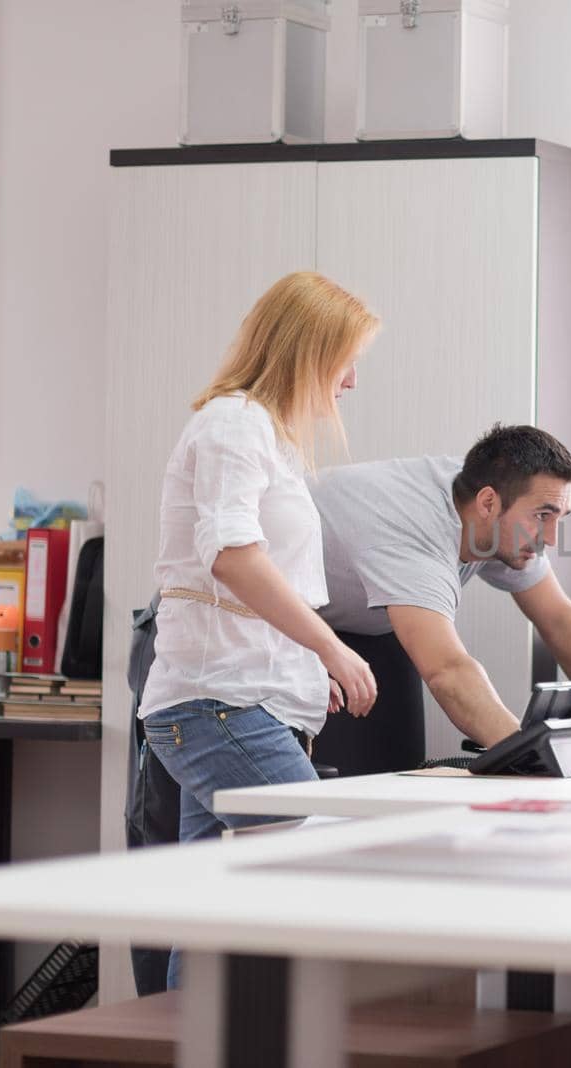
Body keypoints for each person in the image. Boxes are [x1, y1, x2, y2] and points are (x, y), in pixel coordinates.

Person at [136, 271, 380, 987]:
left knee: (214, 917)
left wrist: (304, 670)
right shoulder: (233, 424)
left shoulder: (264, 436)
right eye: (346, 360)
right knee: (315, 865)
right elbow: (233, 556)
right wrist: (327, 647)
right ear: (308, 352)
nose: (352, 382)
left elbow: (253, 577)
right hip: (216, 703)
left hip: (236, 700)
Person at [308, 424, 571, 774]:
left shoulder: (493, 505)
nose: (551, 539)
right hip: (281, 625)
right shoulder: (411, 532)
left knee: (394, 774)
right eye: (543, 516)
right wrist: (531, 755)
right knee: (335, 789)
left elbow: (559, 619)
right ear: (488, 503)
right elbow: (448, 669)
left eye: (559, 517)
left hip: (368, 619)